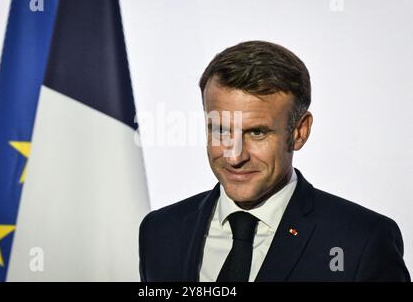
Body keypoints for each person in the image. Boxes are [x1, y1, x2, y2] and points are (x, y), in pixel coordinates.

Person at [138, 41, 410, 282]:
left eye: (257, 132)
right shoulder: (160, 232)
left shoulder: (362, 241)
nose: (235, 156)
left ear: (299, 132)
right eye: (221, 130)